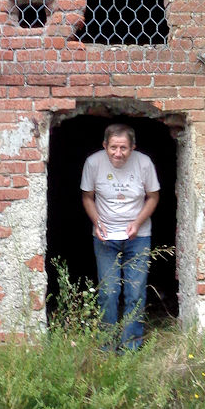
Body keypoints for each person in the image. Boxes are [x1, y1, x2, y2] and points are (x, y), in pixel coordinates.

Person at [80, 123, 160, 351]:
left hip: (138, 236)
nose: (118, 153)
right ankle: (107, 344)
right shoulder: (93, 163)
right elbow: (87, 197)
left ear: (133, 147)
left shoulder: (144, 163)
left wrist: (137, 222)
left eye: (123, 148)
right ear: (105, 146)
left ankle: (131, 345)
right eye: (113, 147)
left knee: (135, 291)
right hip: (105, 236)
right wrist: (97, 222)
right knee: (109, 291)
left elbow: (153, 196)